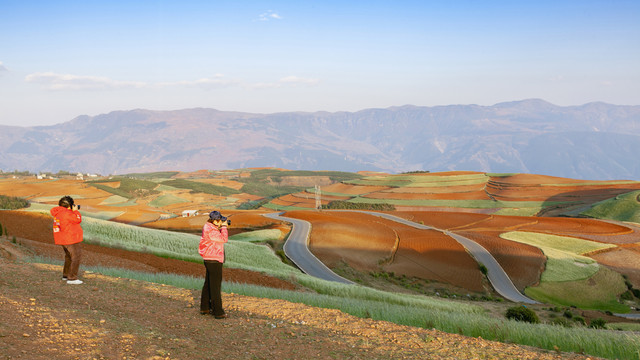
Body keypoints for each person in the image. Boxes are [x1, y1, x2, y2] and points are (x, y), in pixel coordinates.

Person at [199, 210, 229, 318]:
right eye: (220, 220)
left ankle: (205, 307)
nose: (222, 222)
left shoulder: (209, 228)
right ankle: (218, 312)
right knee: (215, 286)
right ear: (215, 221)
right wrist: (224, 228)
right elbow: (224, 239)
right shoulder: (211, 230)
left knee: (208, 284)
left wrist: (220, 227)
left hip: (209, 259)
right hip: (214, 259)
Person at [50, 196, 84, 285]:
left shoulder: (58, 212)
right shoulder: (67, 214)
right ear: (69, 205)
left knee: (68, 257)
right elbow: (78, 219)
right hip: (71, 239)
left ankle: (65, 275)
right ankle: (72, 278)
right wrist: (76, 211)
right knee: (76, 257)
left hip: (62, 238)